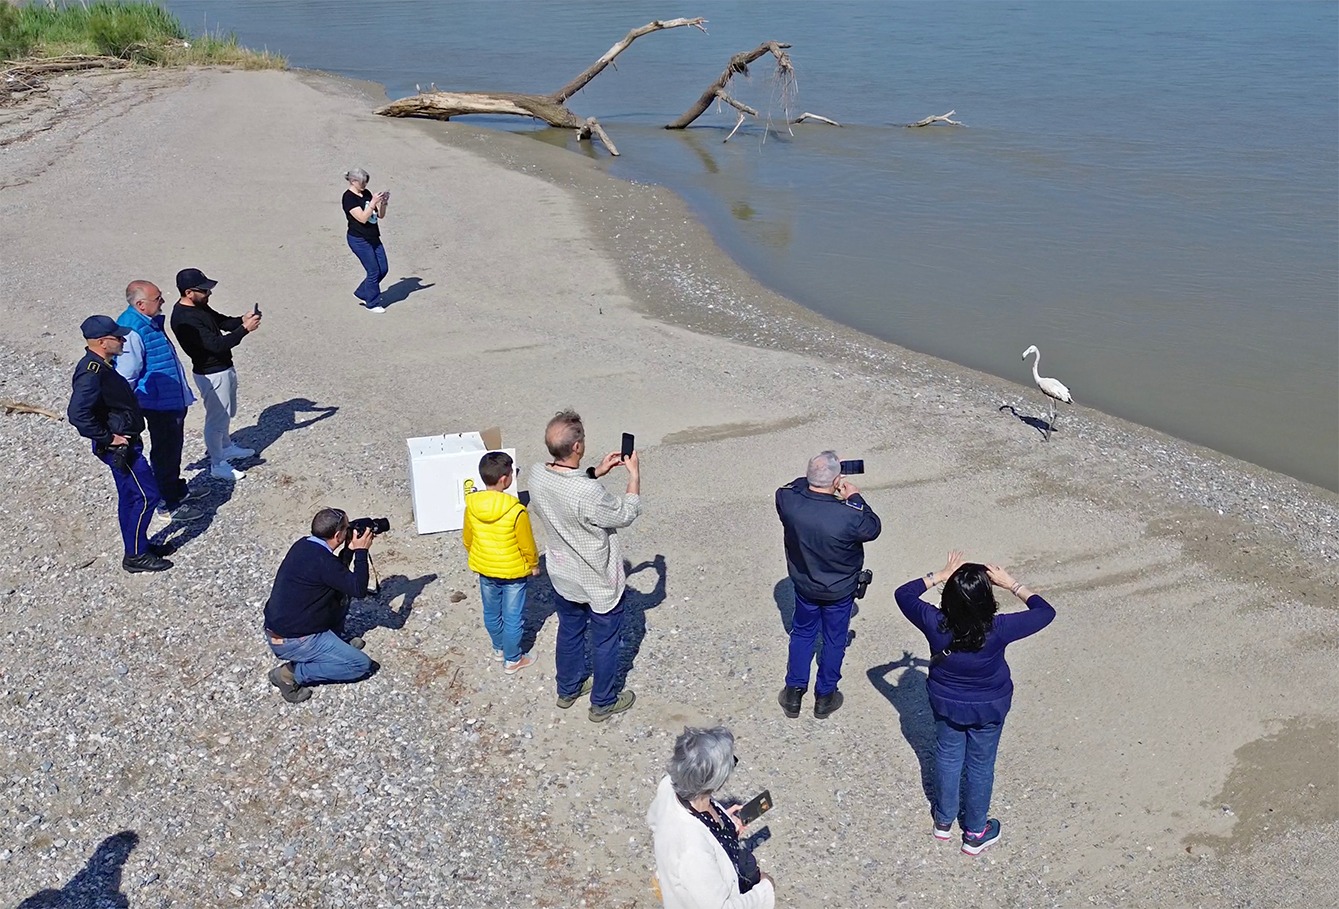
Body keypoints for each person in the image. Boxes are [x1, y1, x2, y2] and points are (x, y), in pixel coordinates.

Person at [895, 551, 1056, 856]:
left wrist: (941, 575)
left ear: (950, 598)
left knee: (947, 756)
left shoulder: (934, 621)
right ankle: (975, 833)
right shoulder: (1000, 627)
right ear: (987, 599)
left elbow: (903, 593)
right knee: (981, 765)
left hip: (946, 702)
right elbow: (1045, 611)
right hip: (989, 706)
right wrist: (1012, 584)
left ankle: (943, 822)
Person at [526, 410, 641, 722]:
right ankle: (602, 701)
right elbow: (625, 514)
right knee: (604, 642)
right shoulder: (588, 494)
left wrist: (595, 472)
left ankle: (568, 688)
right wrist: (633, 476)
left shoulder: (536, 474)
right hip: (597, 581)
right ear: (577, 447)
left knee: (570, 631)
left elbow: (566, 492)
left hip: (563, 574)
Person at [775, 451, 882, 720]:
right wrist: (853, 496)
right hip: (839, 589)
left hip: (805, 584)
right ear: (836, 481)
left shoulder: (787, 499)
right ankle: (825, 696)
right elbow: (873, 527)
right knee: (835, 640)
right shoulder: (849, 515)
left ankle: (793, 692)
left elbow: (796, 484)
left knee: (802, 634)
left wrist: (822, 473)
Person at [66, 315, 172, 573]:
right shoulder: (91, 372)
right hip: (119, 447)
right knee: (147, 496)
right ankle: (135, 556)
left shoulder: (101, 365)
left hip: (125, 442)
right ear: (102, 342)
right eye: (118, 337)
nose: (123, 340)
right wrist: (109, 438)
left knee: (130, 495)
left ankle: (139, 545)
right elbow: (77, 414)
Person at [646, 726, 775, 909]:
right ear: (714, 780)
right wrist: (765, 889)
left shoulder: (669, 785)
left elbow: (654, 820)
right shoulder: (692, 849)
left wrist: (725, 823)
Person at [262, 508, 378, 703]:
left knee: (340, 593)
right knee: (360, 665)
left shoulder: (304, 546)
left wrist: (348, 550)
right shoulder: (324, 562)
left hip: (283, 626)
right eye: (347, 527)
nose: (349, 530)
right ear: (338, 534)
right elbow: (358, 589)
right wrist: (360, 551)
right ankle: (288, 674)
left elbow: (337, 575)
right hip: (294, 640)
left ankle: (334, 645)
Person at [114, 280, 204, 523]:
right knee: (165, 452)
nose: (163, 301)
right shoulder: (132, 329)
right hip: (157, 402)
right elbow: (127, 373)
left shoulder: (146, 322)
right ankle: (168, 504)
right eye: (158, 299)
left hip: (166, 398)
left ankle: (174, 489)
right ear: (141, 305)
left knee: (172, 449)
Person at [169, 268, 260, 482]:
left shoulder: (199, 306)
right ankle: (217, 464)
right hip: (211, 373)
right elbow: (216, 345)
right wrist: (244, 330)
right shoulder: (184, 319)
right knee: (216, 420)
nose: (209, 294)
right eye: (204, 290)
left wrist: (241, 320)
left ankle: (226, 447)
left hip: (222, 369)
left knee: (225, 413)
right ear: (189, 292)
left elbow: (221, 322)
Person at [462, 451, 540, 674]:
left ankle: (498, 649)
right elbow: (526, 544)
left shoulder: (472, 505)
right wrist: (533, 564)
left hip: (485, 569)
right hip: (513, 572)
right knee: (513, 617)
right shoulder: (516, 510)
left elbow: (468, 539)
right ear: (505, 479)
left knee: (491, 611)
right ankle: (513, 658)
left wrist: (479, 554)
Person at [342, 168, 390, 313]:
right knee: (373, 270)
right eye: (362, 183)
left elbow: (379, 216)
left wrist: (383, 203)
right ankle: (372, 302)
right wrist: (372, 202)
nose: (365, 185)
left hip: (373, 236)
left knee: (383, 268)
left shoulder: (366, 193)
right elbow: (362, 218)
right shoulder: (348, 198)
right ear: (353, 181)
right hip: (359, 239)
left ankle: (363, 292)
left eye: (366, 182)